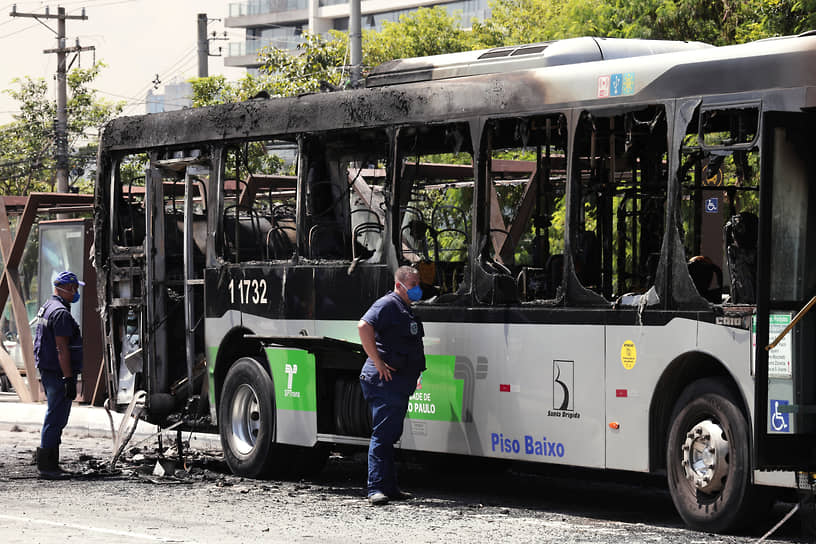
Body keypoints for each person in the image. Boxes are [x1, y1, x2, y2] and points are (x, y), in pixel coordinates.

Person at [358, 266, 426, 505]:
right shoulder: (387, 304)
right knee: (383, 435)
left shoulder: (405, 308)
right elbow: (363, 326)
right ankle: (375, 488)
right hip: (383, 381)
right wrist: (378, 362)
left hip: (398, 383)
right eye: (413, 284)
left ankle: (389, 487)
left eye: (418, 283)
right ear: (400, 285)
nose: (418, 288)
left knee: (391, 435)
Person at [34, 271, 84, 479]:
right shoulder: (61, 313)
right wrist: (69, 378)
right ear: (68, 288)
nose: (76, 293)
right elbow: (61, 348)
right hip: (57, 373)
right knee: (56, 416)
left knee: (54, 415)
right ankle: (48, 466)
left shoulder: (48, 306)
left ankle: (49, 462)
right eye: (75, 289)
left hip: (49, 370)